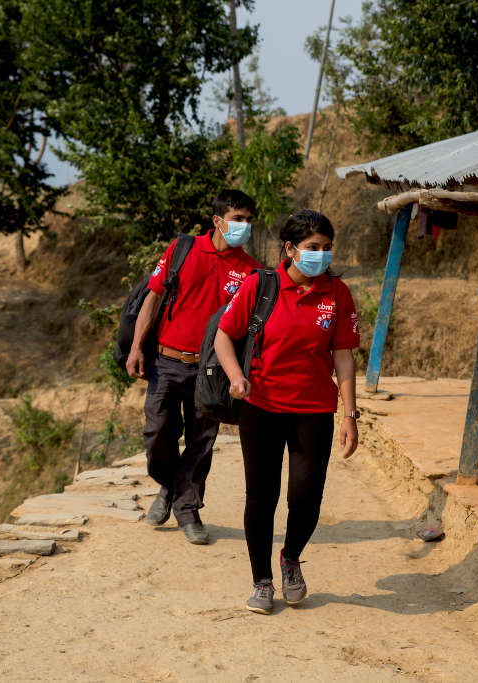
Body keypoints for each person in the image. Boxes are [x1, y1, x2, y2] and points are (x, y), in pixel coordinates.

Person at [214, 209, 360, 614]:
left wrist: (350, 414)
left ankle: (290, 558)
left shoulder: (336, 294)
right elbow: (224, 335)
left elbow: (344, 356)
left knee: (307, 496)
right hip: (260, 407)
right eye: (314, 248)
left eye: (328, 248)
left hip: (314, 410)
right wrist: (235, 377)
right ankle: (262, 580)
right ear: (290, 249)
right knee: (261, 496)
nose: (322, 255)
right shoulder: (261, 286)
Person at [127, 189, 263, 544]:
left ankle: (188, 510)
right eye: (237, 219)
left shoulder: (251, 271)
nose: (244, 226)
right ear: (217, 221)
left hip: (212, 371)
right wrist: (136, 347)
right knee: (158, 434)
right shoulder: (183, 249)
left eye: (249, 220)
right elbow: (153, 298)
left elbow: (249, 329)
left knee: (202, 441)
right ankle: (169, 487)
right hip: (166, 360)